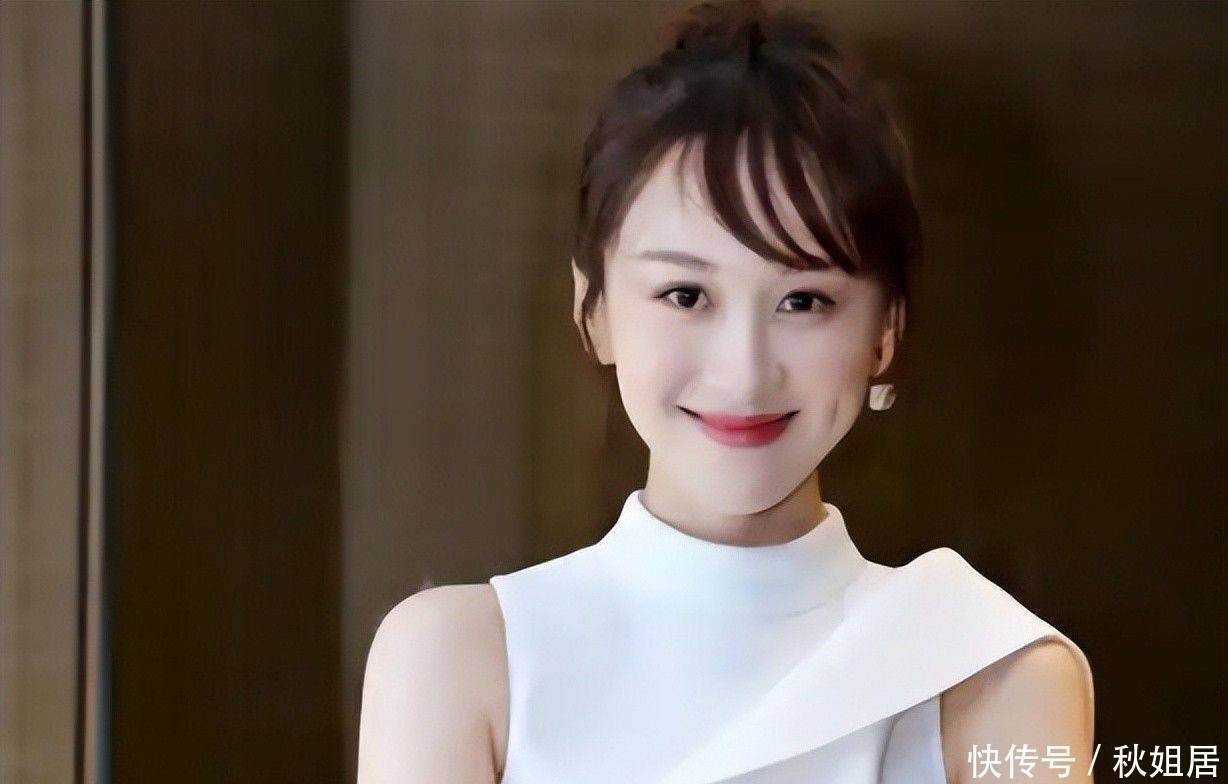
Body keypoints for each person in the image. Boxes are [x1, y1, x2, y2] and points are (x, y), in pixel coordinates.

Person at [356, 1, 1095, 782]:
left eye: (803, 301)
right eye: (685, 295)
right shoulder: (459, 662)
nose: (744, 373)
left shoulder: (984, 672)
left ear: (886, 331)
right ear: (594, 311)